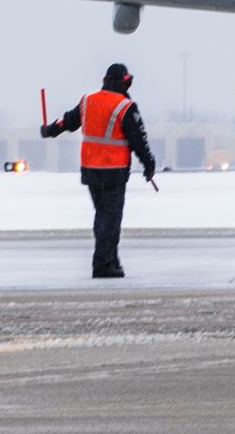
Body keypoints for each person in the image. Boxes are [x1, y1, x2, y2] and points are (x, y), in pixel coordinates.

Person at [41, 62, 160, 277]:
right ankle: (104, 264)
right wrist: (149, 165)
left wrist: (50, 130)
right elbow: (138, 140)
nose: (128, 86)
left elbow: (68, 121)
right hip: (114, 171)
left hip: (91, 170)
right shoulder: (125, 106)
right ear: (117, 81)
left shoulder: (88, 101)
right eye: (126, 82)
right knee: (109, 219)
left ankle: (110, 261)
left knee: (103, 217)